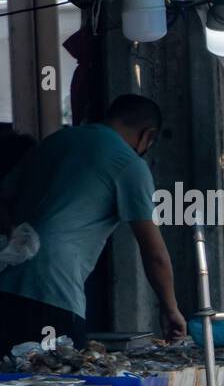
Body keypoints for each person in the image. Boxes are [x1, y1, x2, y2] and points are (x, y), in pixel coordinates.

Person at [0, 95, 184, 355]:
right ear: (147, 136)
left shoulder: (56, 140)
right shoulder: (129, 164)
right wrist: (170, 308)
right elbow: (153, 252)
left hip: (6, 277)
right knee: (56, 380)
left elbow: (3, 198)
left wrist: (13, 234)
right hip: (54, 289)